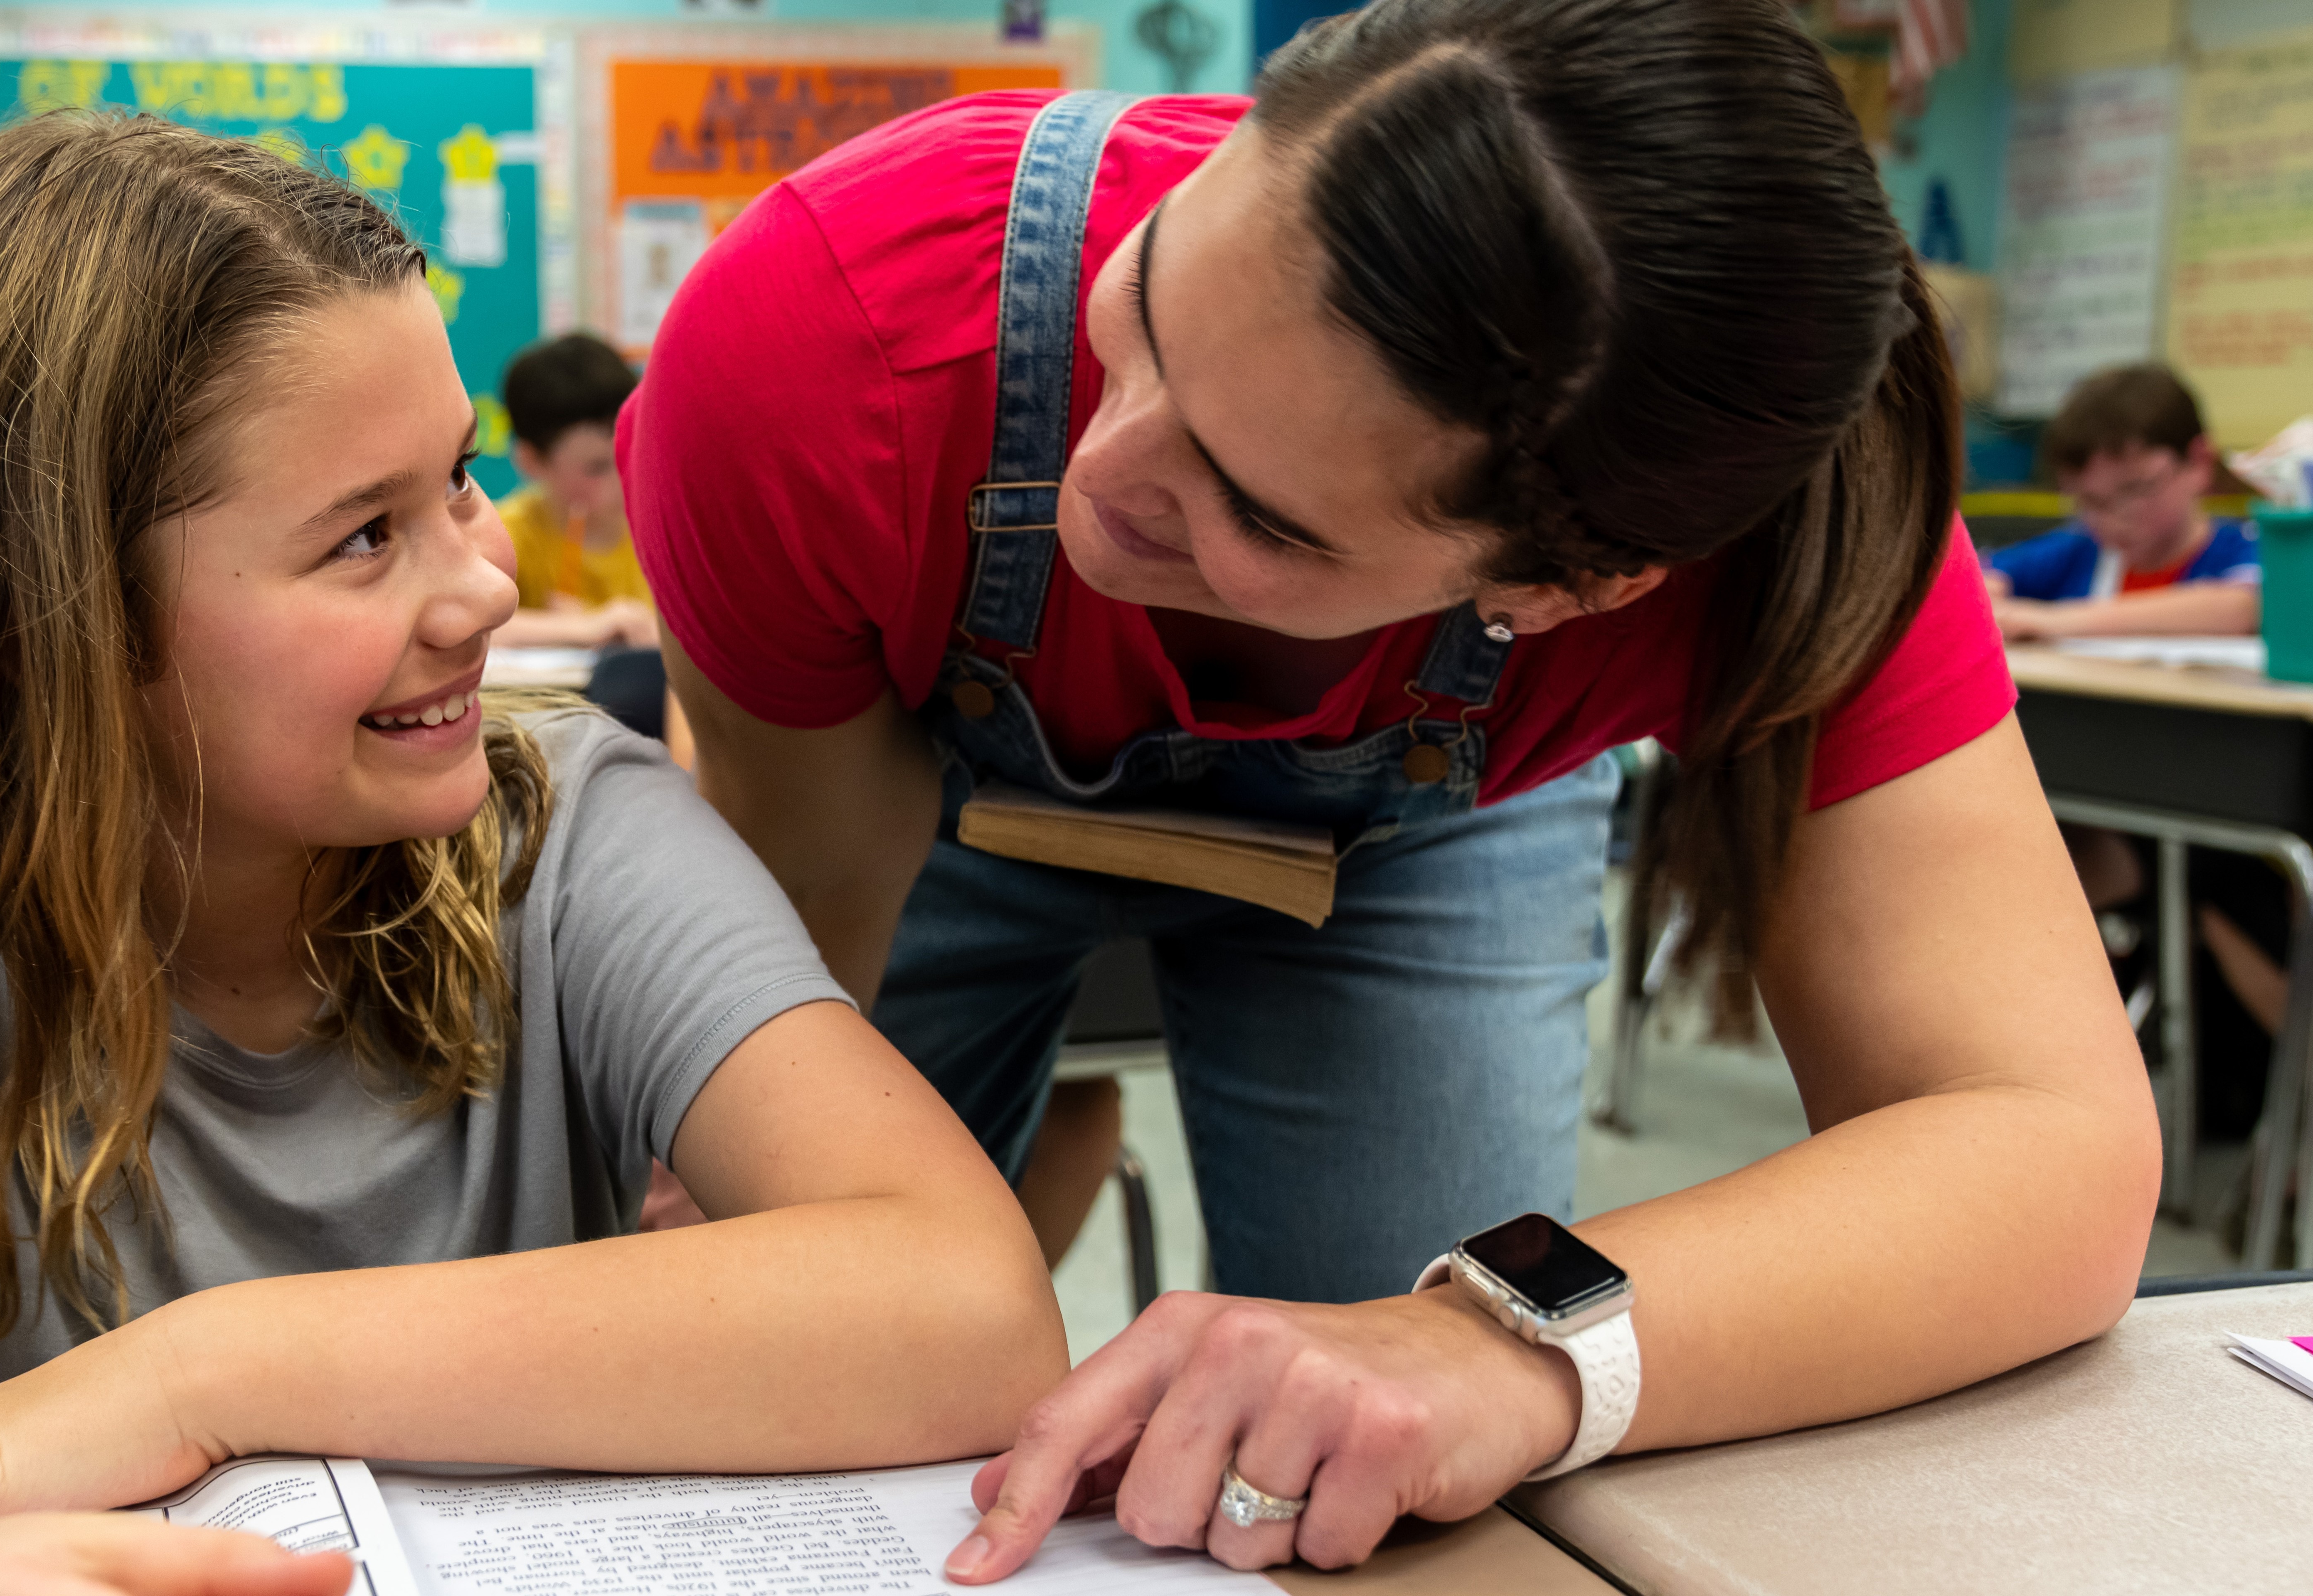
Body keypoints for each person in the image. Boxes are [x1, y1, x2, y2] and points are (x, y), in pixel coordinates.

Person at [0, 111, 1057, 1596]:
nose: (486, 590)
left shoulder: (566, 813)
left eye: (458, 481)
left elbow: (968, 1304)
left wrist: (203, 1371)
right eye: (364, 536)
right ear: (68, 615)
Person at [622, 0, 2155, 1577]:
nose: (1106, 473)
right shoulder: (837, 326)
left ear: (1581, 591)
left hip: (1436, 836)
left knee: (1367, 1473)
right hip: (910, 774)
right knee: (773, 1340)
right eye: (1145, 300)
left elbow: (2052, 1152)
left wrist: (1502, 1346)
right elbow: (808, 936)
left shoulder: (1788, 537)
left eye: (1266, 518)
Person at [488, 332, 689, 756]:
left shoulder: (669, 523)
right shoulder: (510, 532)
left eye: (628, 449)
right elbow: (471, 628)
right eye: (597, 466)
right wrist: (584, 627)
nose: (620, 475)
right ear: (531, 461)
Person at [1985, 362, 2259, 642]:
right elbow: (1980, 578)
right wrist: (1986, 592)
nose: (2111, 518)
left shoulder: (2248, 546)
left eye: (2135, 489)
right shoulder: (2077, 550)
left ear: (2199, 462)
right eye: (2090, 501)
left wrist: (2048, 620)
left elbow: (2242, 607)